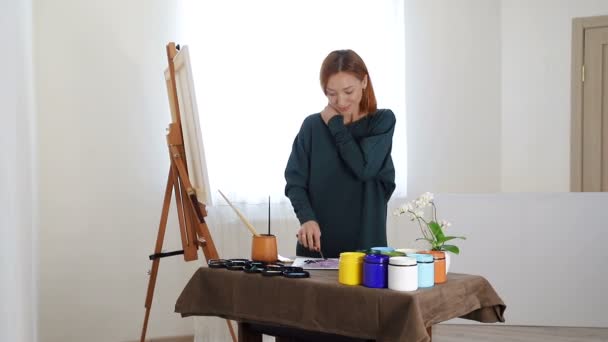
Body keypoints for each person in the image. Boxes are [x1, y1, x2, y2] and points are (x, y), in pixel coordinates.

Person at [284, 49, 396, 258]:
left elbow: (363, 168)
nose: (341, 101)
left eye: (348, 91)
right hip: (317, 249)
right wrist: (306, 219)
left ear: (364, 82)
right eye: (331, 94)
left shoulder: (381, 122)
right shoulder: (312, 127)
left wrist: (335, 124)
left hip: (364, 250)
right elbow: (294, 182)